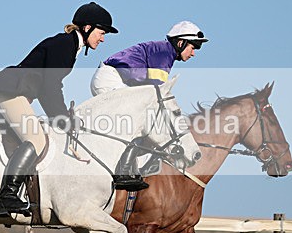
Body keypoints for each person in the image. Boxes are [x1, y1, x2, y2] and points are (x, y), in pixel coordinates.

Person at [0, 2, 118, 217]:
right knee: (37, 139)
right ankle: (7, 196)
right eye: (102, 33)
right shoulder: (65, 44)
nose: (103, 39)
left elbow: (50, 87)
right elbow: (50, 87)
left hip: (15, 93)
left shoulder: (69, 45)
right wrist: (62, 118)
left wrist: (61, 116)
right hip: (11, 93)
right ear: (88, 28)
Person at [89, 20, 209, 191]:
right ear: (180, 42)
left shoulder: (165, 53)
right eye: (193, 47)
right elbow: (156, 95)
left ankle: (128, 169)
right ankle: (123, 172)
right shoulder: (163, 54)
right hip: (110, 79)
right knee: (144, 120)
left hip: (114, 79)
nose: (194, 53)